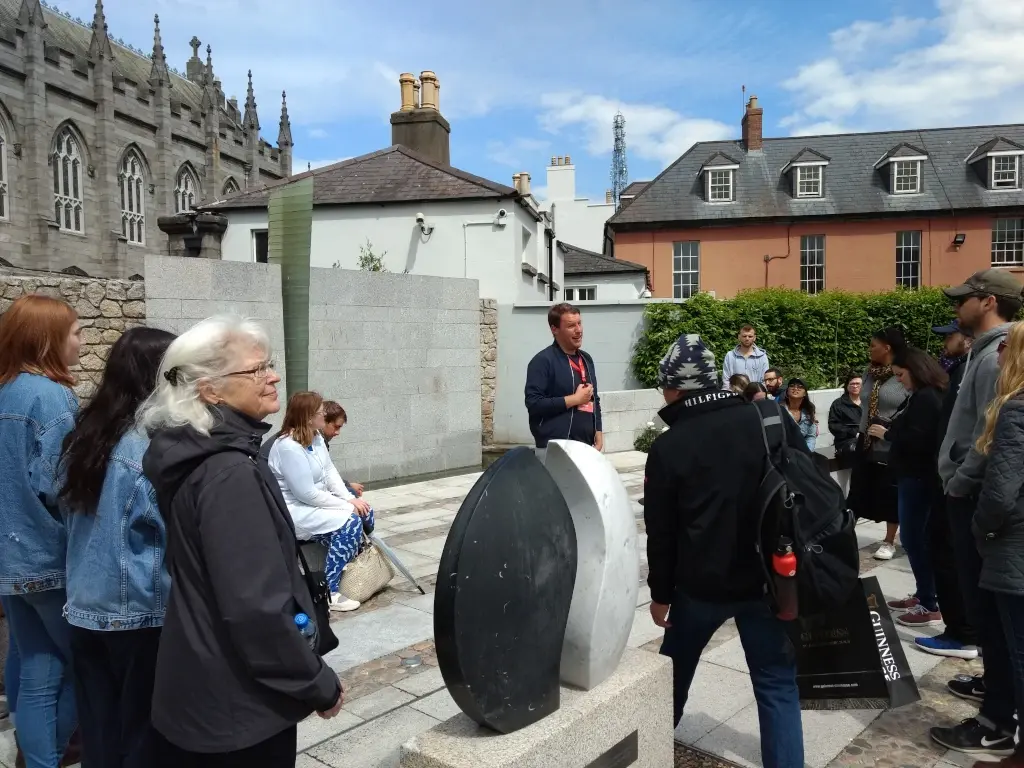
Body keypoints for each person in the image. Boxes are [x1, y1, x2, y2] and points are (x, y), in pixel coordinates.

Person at [138, 316, 343, 768]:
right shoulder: (227, 473)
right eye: (256, 370)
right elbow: (257, 607)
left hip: (205, 693)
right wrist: (317, 683)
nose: (272, 376)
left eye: (268, 364)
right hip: (237, 710)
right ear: (211, 390)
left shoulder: (203, 455)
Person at [645, 333, 809, 768]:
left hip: (699, 586)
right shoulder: (766, 416)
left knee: (673, 676)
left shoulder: (668, 447)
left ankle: (650, 753)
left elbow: (661, 533)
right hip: (767, 577)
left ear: (676, 388)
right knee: (776, 683)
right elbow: (803, 481)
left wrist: (660, 593)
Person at [60, 327, 176, 768]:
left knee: (100, 731)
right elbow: (168, 530)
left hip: (85, 606)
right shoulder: (145, 449)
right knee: (143, 735)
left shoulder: (85, 437)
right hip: (139, 614)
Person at [931, 269, 1023, 758]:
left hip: (976, 500)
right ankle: (997, 689)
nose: (956, 307)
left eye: (963, 299)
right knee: (991, 613)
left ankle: (997, 717)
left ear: (987, 301)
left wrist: (958, 484)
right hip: (972, 494)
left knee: (991, 612)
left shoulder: (997, 357)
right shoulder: (988, 351)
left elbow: (990, 440)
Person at [0, 295, 82, 768]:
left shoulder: (5, 390)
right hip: (48, 556)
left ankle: (34, 757)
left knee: (32, 663)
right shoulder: (50, 397)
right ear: (49, 339)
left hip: (10, 557)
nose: (82, 340)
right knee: (77, 665)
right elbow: (61, 486)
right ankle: (45, 756)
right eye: (75, 332)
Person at [972, 322, 1024, 768]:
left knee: (1018, 651)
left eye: (1008, 347)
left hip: (1015, 550)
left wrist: (981, 529)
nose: (1000, 353)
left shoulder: (1016, 409)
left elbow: (1001, 493)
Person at [268, 392, 372, 613]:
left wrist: (349, 498)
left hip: (317, 503)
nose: (324, 415)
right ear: (308, 417)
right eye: (320, 413)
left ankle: (351, 563)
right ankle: (328, 592)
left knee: (365, 513)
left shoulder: (316, 438)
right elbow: (305, 494)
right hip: (296, 510)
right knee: (350, 523)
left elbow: (330, 472)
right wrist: (346, 506)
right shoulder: (288, 447)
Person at [867, 347, 948, 628]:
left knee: (915, 540)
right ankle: (924, 594)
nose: (899, 381)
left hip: (918, 478)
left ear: (916, 371)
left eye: (901, 375)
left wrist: (887, 433)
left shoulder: (927, 398)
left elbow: (919, 440)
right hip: (914, 476)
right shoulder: (925, 395)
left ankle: (930, 603)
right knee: (915, 540)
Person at [916, 320, 978, 660]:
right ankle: (964, 629)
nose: (945, 344)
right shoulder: (957, 370)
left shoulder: (972, 370)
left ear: (966, 340)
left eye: (950, 337)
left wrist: (956, 475)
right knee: (942, 549)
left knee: (949, 555)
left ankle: (962, 633)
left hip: (957, 481)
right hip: (949, 478)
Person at [847, 326, 909, 561]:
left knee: (889, 490)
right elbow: (863, 402)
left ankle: (889, 540)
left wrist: (890, 432)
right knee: (859, 487)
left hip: (889, 440)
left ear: (887, 347)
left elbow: (911, 407)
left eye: (873, 345)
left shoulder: (903, 373)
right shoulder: (869, 372)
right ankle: (847, 534)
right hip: (865, 438)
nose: (869, 349)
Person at [525, 303, 603, 458]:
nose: (579, 330)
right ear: (554, 329)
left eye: (579, 323)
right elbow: (534, 404)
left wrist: (598, 431)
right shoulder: (542, 361)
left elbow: (595, 400)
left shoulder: (586, 359)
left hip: (586, 447)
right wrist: (574, 399)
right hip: (555, 450)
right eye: (571, 326)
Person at [828, 373, 863, 496]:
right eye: (852, 383)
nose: (855, 386)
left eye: (858, 383)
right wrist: (854, 433)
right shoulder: (838, 404)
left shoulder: (869, 402)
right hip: (846, 442)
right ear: (847, 386)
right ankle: (854, 495)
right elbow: (833, 426)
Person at [321, 401, 364, 497]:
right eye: (336, 427)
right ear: (323, 421)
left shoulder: (320, 441)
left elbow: (327, 472)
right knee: (351, 495)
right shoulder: (316, 441)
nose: (337, 433)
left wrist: (347, 485)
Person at [782, 378, 817, 451]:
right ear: (787, 391)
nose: (795, 388)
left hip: (803, 451)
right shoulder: (779, 409)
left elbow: (810, 437)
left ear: (805, 393)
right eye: (792, 386)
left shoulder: (809, 411)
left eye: (800, 387)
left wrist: (807, 452)